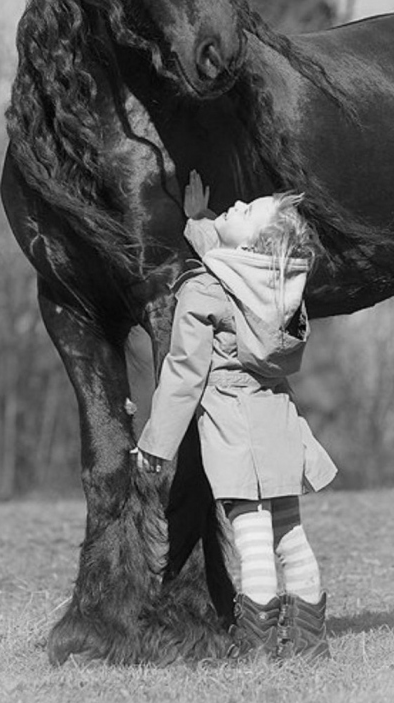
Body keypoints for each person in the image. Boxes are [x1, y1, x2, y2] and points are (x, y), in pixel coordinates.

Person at [133, 171, 337, 661]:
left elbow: (182, 375)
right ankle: (311, 642)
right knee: (290, 534)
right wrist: (198, 219)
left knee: (251, 540)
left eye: (246, 212)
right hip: (280, 423)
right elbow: (228, 258)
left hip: (234, 430)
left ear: (251, 245)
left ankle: (259, 644)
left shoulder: (204, 291)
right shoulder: (278, 286)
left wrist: (156, 444)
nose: (239, 202)